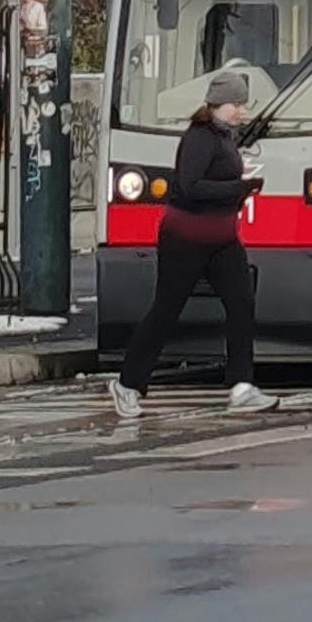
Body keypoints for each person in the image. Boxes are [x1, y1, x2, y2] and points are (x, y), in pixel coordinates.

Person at [108, 89, 271, 423]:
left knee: (241, 303)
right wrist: (238, 189)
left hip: (222, 238)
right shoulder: (200, 138)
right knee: (167, 310)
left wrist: (240, 192)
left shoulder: (225, 138)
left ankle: (242, 385)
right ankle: (127, 383)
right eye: (235, 104)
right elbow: (190, 186)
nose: (241, 110)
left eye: (242, 104)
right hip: (186, 238)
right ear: (216, 105)